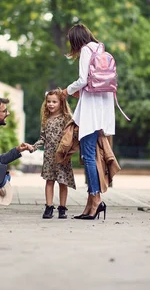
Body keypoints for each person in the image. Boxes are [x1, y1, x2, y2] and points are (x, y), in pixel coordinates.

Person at [62, 24, 115, 220]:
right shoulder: (100, 49)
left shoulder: (86, 50)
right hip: (103, 108)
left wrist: (66, 91)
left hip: (91, 112)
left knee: (89, 155)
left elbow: (83, 79)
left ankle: (96, 201)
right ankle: (90, 204)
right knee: (91, 154)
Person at [31, 88, 75, 219]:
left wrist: (69, 151)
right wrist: (34, 147)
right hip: (49, 156)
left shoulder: (66, 118)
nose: (51, 104)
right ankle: (49, 207)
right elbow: (42, 137)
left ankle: (62, 208)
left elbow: (71, 136)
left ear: (61, 103)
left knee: (63, 182)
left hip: (62, 155)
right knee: (49, 181)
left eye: (54, 102)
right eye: (48, 101)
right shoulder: (46, 119)